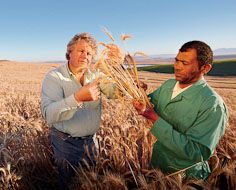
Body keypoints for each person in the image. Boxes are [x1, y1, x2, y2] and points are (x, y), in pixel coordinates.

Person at [133, 40, 228, 180]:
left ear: (205, 68)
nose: (177, 67)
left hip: (186, 177)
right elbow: (148, 104)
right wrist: (138, 92)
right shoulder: (168, 85)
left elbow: (197, 152)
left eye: (185, 63)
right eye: (176, 61)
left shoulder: (213, 105)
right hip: (156, 167)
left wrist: (154, 119)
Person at [41, 32, 116, 188]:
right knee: (70, 184)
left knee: (90, 182)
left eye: (89, 53)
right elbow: (49, 115)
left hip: (92, 142)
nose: (85, 56)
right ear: (69, 52)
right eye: (81, 51)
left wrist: (131, 86)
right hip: (66, 143)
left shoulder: (96, 75)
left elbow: (114, 91)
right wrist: (77, 98)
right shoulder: (54, 77)